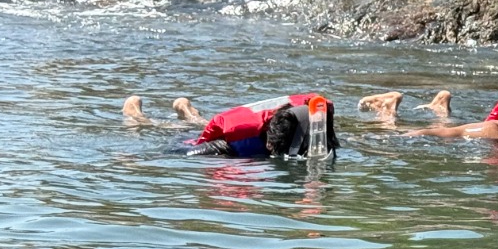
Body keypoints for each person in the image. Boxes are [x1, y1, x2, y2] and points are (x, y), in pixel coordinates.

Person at [122, 94, 339, 158]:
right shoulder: (231, 144)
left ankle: (188, 111)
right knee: (187, 133)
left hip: (247, 125)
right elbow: (177, 153)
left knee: (200, 124)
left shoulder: (314, 121)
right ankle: (136, 117)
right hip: (225, 136)